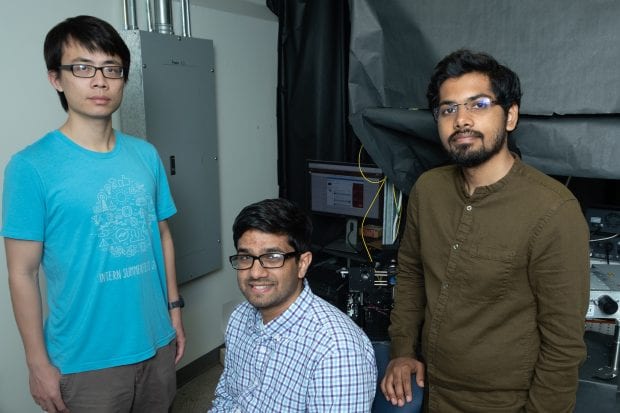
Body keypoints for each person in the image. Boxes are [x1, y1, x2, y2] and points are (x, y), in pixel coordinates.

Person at [380, 49, 590, 412]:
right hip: (432, 393)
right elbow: (412, 274)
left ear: (510, 116)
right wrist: (401, 351)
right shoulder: (428, 190)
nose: (461, 120)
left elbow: (563, 346)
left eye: (478, 105)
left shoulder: (554, 211)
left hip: (504, 404)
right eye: (448, 109)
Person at [1, 15, 185, 413]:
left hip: (156, 341)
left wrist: (174, 311)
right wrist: (37, 363)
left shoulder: (145, 155)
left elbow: (163, 236)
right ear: (56, 79)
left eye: (111, 69)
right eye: (82, 68)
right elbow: (21, 272)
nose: (99, 81)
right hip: (85, 359)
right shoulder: (30, 167)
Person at [210, 198, 377, 412]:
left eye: (272, 257)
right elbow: (227, 399)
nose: (255, 273)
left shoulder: (336, 349)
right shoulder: (239, 317)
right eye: (245, 257)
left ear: (302, 264)